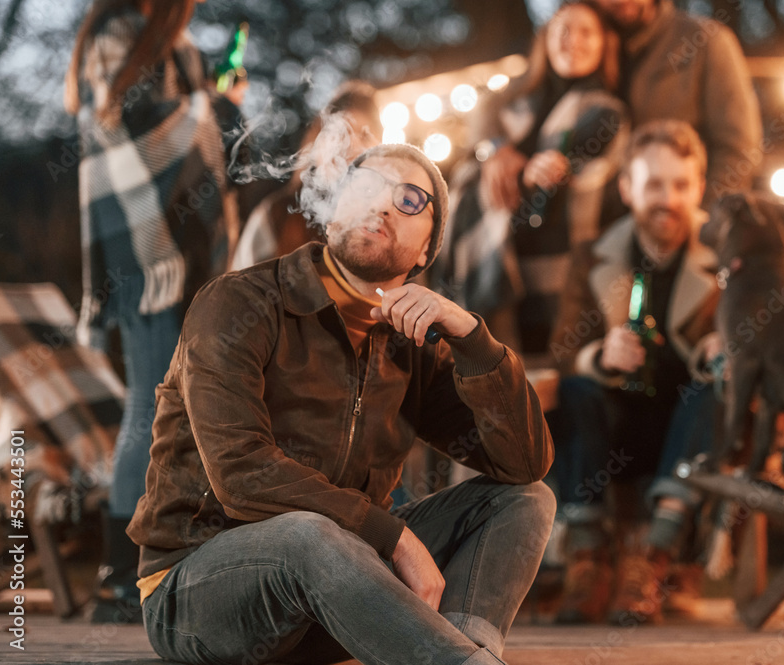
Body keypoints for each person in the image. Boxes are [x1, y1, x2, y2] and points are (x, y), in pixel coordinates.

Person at [126, 143, 556, 665]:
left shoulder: (412, 344)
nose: (382, 205)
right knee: (308, 533)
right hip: (198, 594)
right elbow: (242, 474)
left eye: (410, 201)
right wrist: (394, 537)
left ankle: (464, 653)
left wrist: (473, 341)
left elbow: (524, 464)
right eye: (367, 186)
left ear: (426, 251)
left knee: (525, 499)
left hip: (337, 601)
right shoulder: (240, 303)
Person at [64, 0, 237, 623]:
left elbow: (202, 149)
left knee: (176, 403)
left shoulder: (178, 45)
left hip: (180, 250)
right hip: (144, 250)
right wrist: (208, 109)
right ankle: (118, 576)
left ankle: (158, 564)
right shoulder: (116, 33)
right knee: (151, 403)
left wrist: (217, 105)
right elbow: (130, 126)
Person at [548, 120, 720, 624]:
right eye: (653, 185)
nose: (667, 199)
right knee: (576, 388)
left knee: (710, 391)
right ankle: (588, 557)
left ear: (699, 188)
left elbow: (766, 336)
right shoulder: (594, 256)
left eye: (681, 185)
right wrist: (600, 355)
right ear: (626, 188)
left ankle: (655, 556)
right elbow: (564, 351)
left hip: (688, 431)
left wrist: (729, 345)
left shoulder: (728, 254)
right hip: (616, 425)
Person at [435, 0, 628, 357]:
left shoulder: (606, 112)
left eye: (587, 32)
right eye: (563, 30)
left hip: (555, 258)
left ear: (605, 43)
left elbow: (585, 171)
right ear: (546, 39)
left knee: (542, 372)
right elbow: (473, 150)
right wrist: (494, 151)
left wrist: (545, 169)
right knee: (484, 366)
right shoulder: (510, 103)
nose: (574, 40)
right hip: (496, 253)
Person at [590, 0, 762, 202]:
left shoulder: (707, 40)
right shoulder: (581, 44)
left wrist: (704, 220)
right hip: (597, 226)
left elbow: (738, 149)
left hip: (678, 215)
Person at [231, 80, 383, 270]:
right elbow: (241, 291)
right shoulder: (278, 214)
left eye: (364, 136)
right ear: (317, 144)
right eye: (340, 132)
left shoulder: (384, 223)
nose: (350, 145)